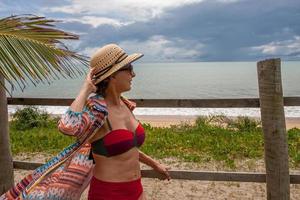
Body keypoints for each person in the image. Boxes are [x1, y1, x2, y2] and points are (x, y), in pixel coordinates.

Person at [58, 44, 171, 200]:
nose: (134, 74)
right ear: (112, 75)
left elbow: (128, 148)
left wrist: (154, 164)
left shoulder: (125, 104)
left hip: (136, 190)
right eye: (129, 68)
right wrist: (86, 88)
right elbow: (68, 126)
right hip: (109, 193)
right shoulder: (97, 110)